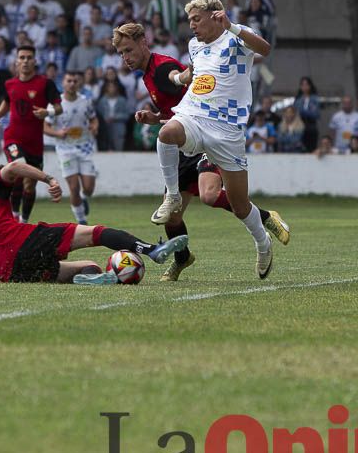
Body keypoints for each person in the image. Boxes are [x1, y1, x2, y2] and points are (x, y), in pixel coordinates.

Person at [114, 21, 287, 282]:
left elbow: (183, 82)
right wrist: (156, 118)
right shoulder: (148, 73)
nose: (126, 57)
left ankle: (264, 217)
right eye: (121, 53)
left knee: (210, 195)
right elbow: (182, 106)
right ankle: (183, 259)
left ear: (143, 43)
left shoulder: (162, 68)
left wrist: (181, 77)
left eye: (128, 50)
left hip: (203, 136)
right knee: (172, 218)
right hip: (184, 143)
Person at [0, 162, 188, 285]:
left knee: (88, 267)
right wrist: (49, 180)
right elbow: (15, 166)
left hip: (7, 272)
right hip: (23, 244)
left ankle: (103, 279)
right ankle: (150, 249)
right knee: (96, 233)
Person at [0, 45, 62, 222]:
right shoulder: (9, 84)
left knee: (29, 185)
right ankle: (14, 217)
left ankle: (24, 221)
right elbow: (7, 101)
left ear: (35, 61)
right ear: (16, 61)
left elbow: (59, 108)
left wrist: (48, 113)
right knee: (18, 170)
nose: (25, 61)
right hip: (13, 138)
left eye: (29, 58)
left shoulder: (45, 83)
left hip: (35, 144)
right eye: (22, 57)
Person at [44, 71, 100, 225]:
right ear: (63, 83)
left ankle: (83, 198)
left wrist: (94, 127)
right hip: (65, 150)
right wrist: (57, 133)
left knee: (88, 188)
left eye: (75, 81)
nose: (72, 84)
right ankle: (82, 221)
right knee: (73, 187)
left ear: (79, 83)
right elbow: (45, 126)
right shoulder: (55, 104)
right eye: (69, 81)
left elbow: (94, 119)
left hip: (85, 148)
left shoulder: (85, 101)